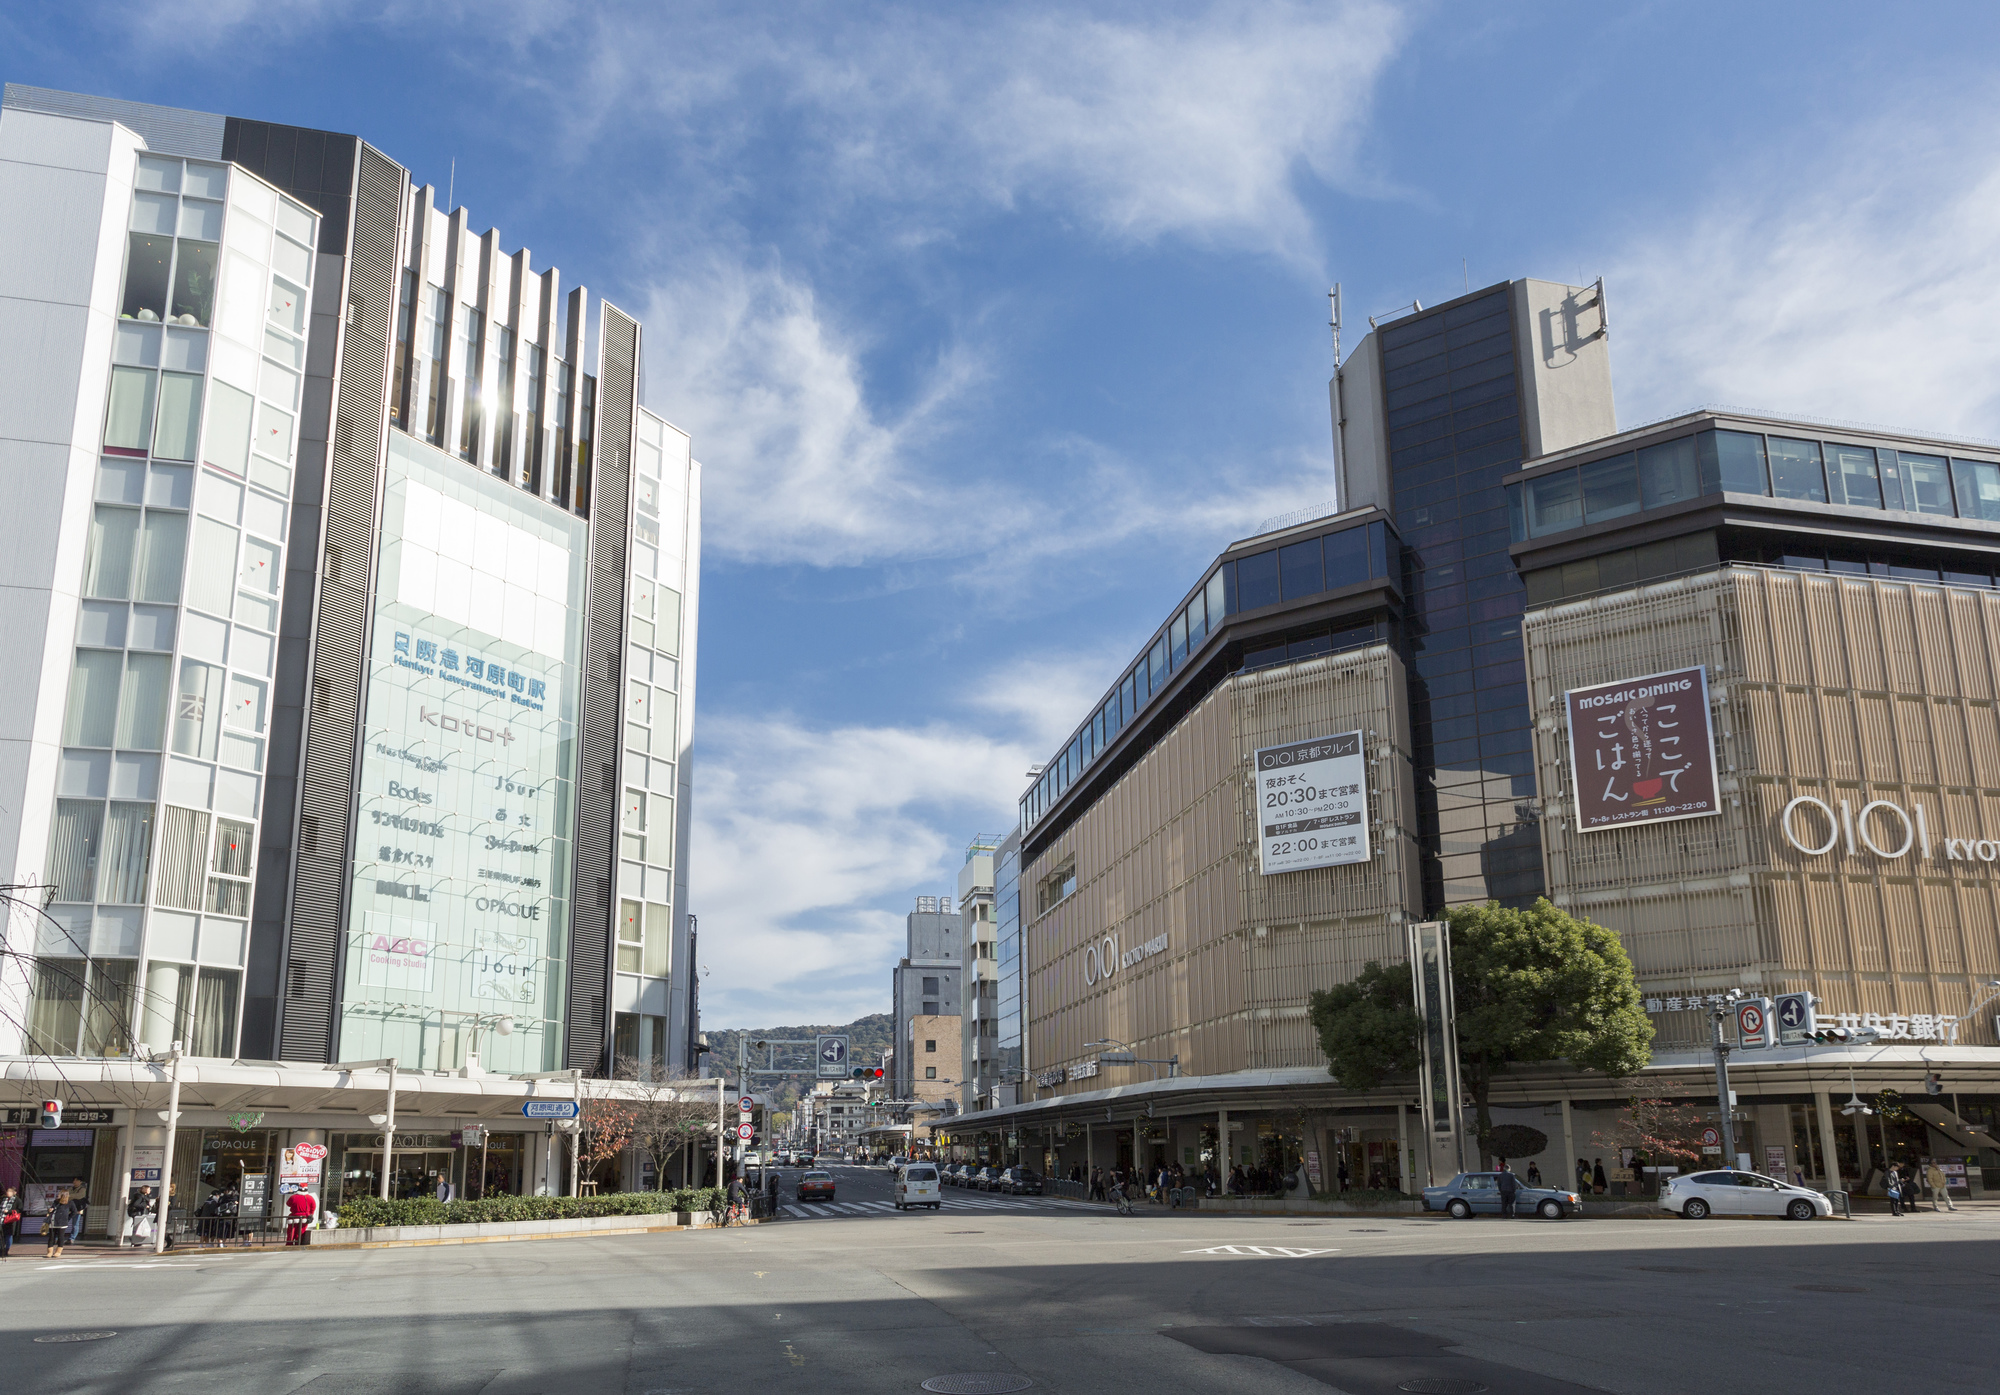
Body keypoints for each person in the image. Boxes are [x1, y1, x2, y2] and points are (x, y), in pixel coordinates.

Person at [44, 1190, 75, 1259]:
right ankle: (50, 1252)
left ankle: (58, 1251)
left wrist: (67, 1218)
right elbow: (52, 1208)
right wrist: (50, 1210)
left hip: (62, 1223)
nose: (58, 1195)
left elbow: (74, 1212)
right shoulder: (56, 1202)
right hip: (53, 1221)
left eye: (60, 1194)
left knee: (60, 1237)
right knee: (51, 1237)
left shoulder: (70, 1203)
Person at [66, 1177, 87, 1247]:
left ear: (80, 1182)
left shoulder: (82, 1189)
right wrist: (70, 1196)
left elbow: (79, 1196)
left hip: (77, 1209)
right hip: (68, 1208)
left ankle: (71, 1238)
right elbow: (65, 1196)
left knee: (75, 1224)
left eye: (76, 1180)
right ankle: (57, 1237)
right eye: (74, 1180)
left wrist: (70, 1196)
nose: (74, 1182)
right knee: (62, 1223)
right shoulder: (70, 1188)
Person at [1, 1186, 20, 1258]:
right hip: (2, 1218)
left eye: (10, 1191)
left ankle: (7, 1249)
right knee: (2, 1235)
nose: (8, 1193)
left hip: (10, 1219)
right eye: (7, 1191)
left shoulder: (17, 1200)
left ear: (14, 1193)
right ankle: (1, 1249)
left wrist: (9, 1211)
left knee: (8, 1235)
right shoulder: (4, 1199)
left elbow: (19, 1209)